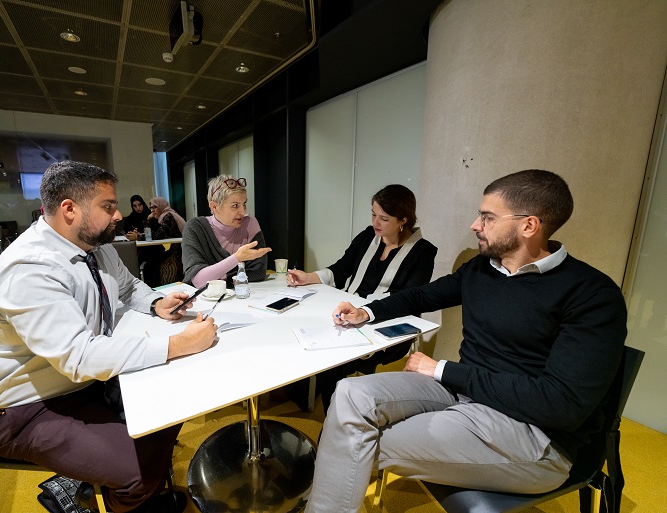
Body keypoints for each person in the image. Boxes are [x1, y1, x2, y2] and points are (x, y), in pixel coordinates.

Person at [305, 169, 627, 513]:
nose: (475, 225)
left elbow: (559, 405)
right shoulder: (483, 269)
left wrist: (444, 370)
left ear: (529, 226)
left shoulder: (592, 295)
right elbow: (420, 296)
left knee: (354, 442)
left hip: (535, 434)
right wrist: (366, 312)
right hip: (465, 394)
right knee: (351, 394)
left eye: (487, 217)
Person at [0, 161, 218, 513]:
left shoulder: (94, 245)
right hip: (22, 409)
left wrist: (157, 302)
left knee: (174, 400)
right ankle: (91, 500)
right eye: (108, 206)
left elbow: (129, 287)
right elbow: (79, 358)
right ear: (69, 209)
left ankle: (100, 478)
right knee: (139, 472)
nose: (118, 216)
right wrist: (178, 344)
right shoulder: (29, 269)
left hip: (77, 385)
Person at [286, 184, 437, 410]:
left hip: (389, 322)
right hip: (351, 312)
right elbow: (342, 268)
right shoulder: (368, 236)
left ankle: (337, 418)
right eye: (373, 215)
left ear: (403, 220)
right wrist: (309, 277)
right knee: (307, 332)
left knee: (333, 357)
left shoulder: (422, 252)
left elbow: (408, 299)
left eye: (384, 218)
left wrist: (365, 314)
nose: (376, 223)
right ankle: (326, 407)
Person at [181, 175, 271, 288]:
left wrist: (216, 276)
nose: (242, 212)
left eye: (244, 204)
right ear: (214, 206)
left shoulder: (249, 223)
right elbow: (198, 281)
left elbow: (258, 272)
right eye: (235, 206)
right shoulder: (196, 228)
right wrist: (237, 258)